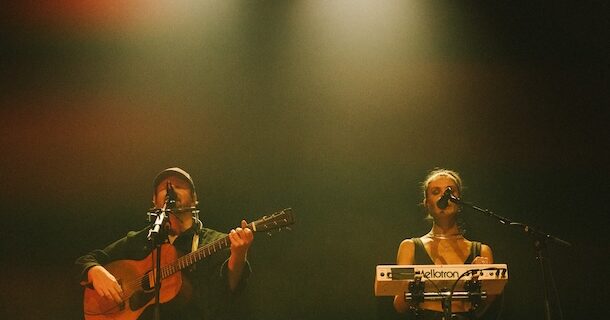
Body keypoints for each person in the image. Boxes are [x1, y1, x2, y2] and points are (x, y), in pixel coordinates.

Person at [75, 167, 254, 320]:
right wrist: (94, 271)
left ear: (194, 198)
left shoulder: (214, 242)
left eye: (179, 186)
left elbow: (228, 291)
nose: (170, 189)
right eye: (164, 188)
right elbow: (86, 260)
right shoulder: (141, 240)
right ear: (154, 201)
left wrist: (239, 255)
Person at [393, 168, 496, 320]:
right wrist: (412, 287)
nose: (444, 196)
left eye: (449, 191)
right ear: (427, 203)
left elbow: (484, 307)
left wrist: (480, 279)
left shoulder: (481, 251)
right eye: (436, 192)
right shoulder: (410, 247)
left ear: (458, 200)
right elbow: (399, 306)